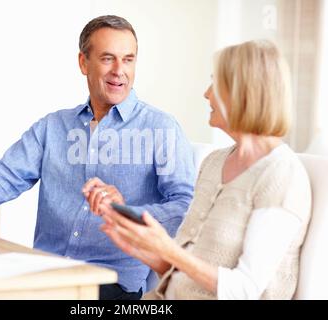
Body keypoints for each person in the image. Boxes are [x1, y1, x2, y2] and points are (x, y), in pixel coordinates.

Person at [0, 15, 195, 300]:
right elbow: (3, 176)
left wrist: (127, 213)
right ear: (83, 62)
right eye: (108, 59)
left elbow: (185, 207)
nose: (120, 71)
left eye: (128, 60)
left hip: (111, 283)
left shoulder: (160, 128)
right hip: (45, 273)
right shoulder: (53, 126)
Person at [99, 40, 312, 300]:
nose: (206, 93)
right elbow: (183, 272)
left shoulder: (281, 176)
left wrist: (169, 249)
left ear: (243, 92)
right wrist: (142, 247)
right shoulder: (215, 162)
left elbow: (245, 290)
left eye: (215, 83)